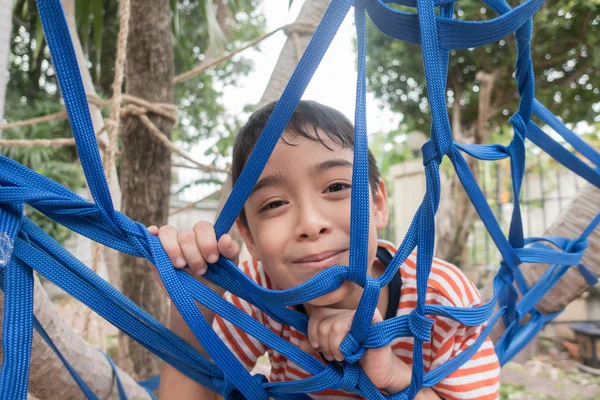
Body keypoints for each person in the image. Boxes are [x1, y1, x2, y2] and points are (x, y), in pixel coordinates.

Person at [150, 100, 501, 400]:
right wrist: (189, 316)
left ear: (378, 203)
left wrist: (392, 376)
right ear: (250, 239)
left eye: (336, 186)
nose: (310, 223)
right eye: (273, 204)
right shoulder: (259, 292)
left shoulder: (439, 299)